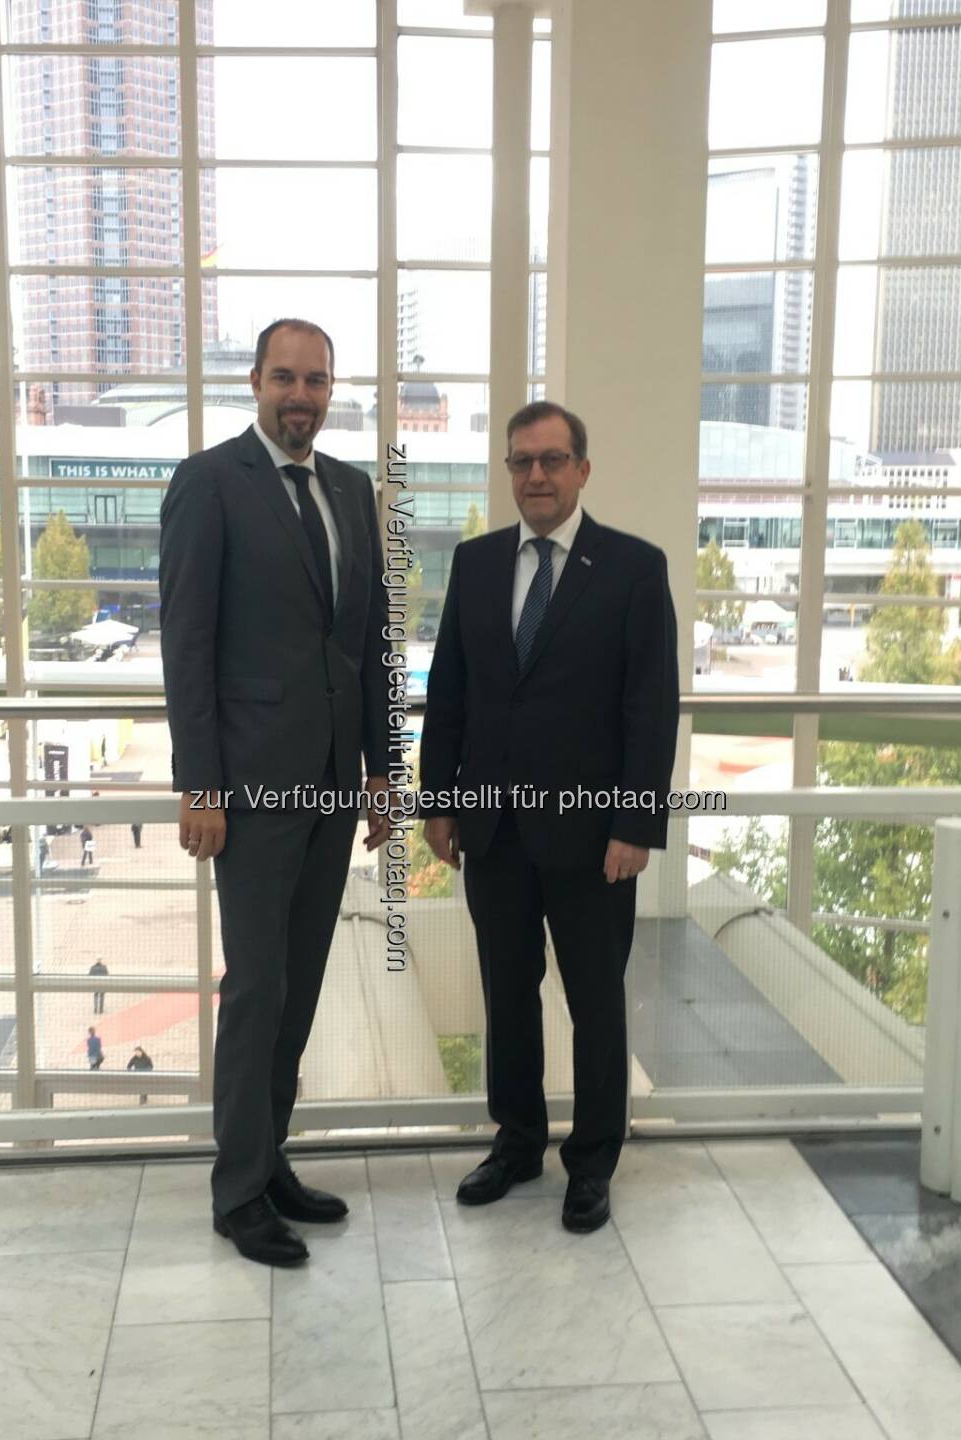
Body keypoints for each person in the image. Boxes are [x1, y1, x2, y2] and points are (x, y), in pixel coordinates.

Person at [159, 317, 390, 1269]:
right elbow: (189, 647)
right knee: (256, 989)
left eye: (318, 380)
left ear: (333, 389)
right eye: (286, 377)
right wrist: (200, 786)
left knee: (298, 986)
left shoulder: (351, 488)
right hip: (249, 794)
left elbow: (372, 642)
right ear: (254, 381)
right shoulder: (209, 483)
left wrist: (384, 772)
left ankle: (272, 1158)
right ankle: (237, 1191)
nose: (302, 394)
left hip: (336, 783)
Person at [420, 401, 679, 1235]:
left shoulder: (635, 568)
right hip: (492, 828)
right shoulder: (477, 563)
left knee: (596, 1002)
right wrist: (439, 802)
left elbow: (651, 707)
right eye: (521, 462)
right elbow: (449, 692)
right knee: (508, 992)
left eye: (552, 460)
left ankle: (594, 1160)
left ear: (582, 470)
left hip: (593, 836)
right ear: (508, 471)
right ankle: (518, 1140)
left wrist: (635, 825)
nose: (536, 475)